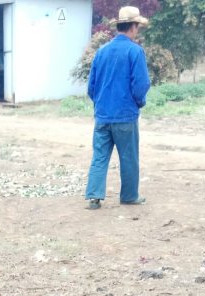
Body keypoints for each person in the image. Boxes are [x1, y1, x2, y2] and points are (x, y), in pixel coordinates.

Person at [84, 6, 151, 209]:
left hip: (103, 116)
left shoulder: (101, 51)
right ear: (133, 26)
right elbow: (140, 84)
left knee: (100, 156)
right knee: (129, 157)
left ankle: (94, 197)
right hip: (125, 116)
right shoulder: (135, 51)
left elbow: (91, 87)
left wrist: (100, 104)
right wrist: (139, 102)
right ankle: (129, 195)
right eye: (137, 26)